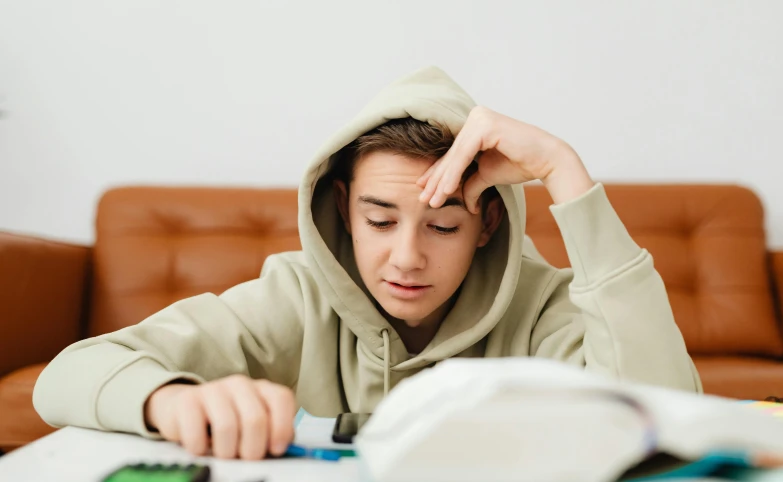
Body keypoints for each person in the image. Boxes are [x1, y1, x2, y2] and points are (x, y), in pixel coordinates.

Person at [33, 66, 701, 461]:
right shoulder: (291, 295)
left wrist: (564, 172)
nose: (406, 257)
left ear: (486, 224)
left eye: (442, 224)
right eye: (380, 221)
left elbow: (672, 422)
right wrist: (169, 399)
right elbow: (68, 376)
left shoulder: (545, 305)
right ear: (343, 209)